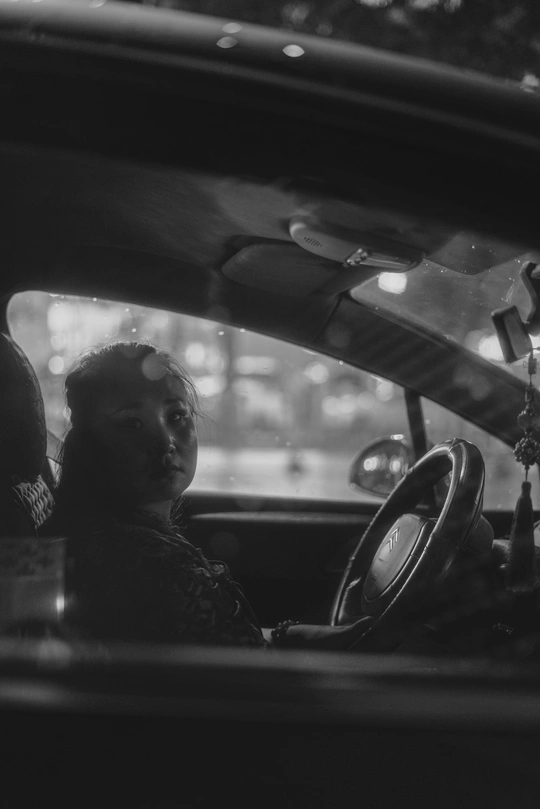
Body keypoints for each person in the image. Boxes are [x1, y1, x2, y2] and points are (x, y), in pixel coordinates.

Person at [47, 341, 369, 650]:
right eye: (132, 423)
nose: (165, 443)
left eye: (176, 416)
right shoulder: (146, 566)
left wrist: (292, 637)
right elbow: (245, 676)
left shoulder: (123, 538)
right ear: (89, 444)